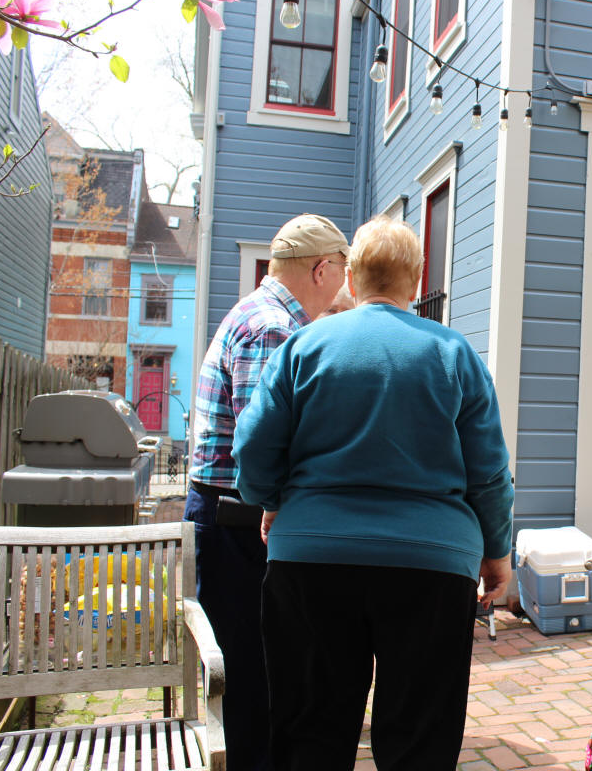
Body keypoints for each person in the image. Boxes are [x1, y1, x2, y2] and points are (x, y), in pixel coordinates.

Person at [232, 215, 515, 771]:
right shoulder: (455, 354)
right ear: (417, 280)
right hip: (432, 567)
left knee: (310, 732)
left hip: (311, 560)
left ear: (351, 277)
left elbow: (253, 448)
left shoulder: (303, 347)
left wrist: (271, 500)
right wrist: (496, 551)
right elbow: (488, 472)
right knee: (420, 740)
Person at [185, 213, 349, 771]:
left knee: (252, 669)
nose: (343, 285)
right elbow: (261, 444)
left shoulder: (260, 313)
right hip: (238, 519)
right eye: (342, 270)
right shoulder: (273, 328)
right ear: (321, 270)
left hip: (231, 513)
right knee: (252, 673)